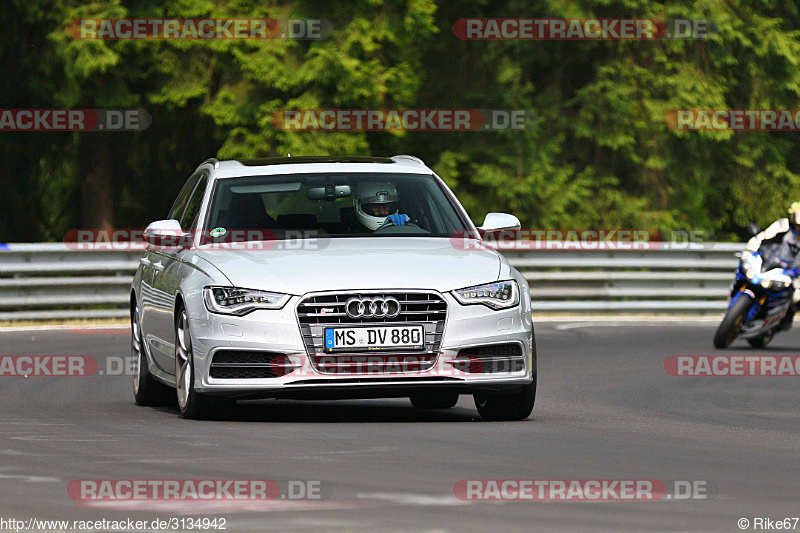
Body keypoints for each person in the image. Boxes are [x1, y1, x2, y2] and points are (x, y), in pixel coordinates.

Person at [744, 202, 800, 328]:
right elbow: (763, 236)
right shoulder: (782, 226)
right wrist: (752, 249)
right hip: (773, 262)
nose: (798, 229)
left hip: (795, 273)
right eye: (797, 226)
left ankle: (786, 317)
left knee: (797, 297)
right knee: (746, 269)